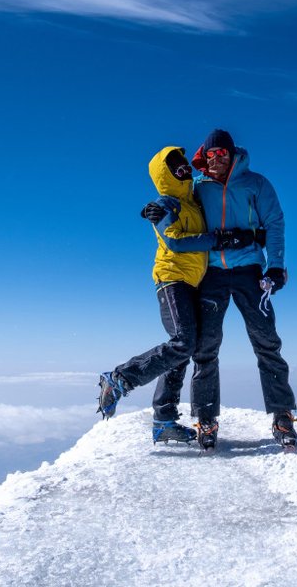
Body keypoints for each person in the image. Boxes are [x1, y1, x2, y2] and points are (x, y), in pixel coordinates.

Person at [147, 129, 297, 450]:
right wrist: (155, 208)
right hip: (211, 275)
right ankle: (205, 418)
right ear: (205, 155)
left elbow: (275, 223)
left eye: (223, 154)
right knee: (205, 347)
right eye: (212, 155)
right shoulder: (200, 187)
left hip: (250, 272)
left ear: (233, 155)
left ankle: (282, 415)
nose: (217, 160)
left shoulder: (256, 183)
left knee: (267, 341)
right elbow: (178, 199)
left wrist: (276, 266)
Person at [96, 145, 256, 445]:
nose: (183, 166)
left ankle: (164, 421)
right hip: (172, 278)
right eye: (175, 164)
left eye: (183, 162)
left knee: (184, 349)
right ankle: (121, 378)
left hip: (194, 281)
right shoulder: (167, 204)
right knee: (183, 343)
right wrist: (223, 239)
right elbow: (177, 243)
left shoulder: (193, 200)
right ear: (164, 174)